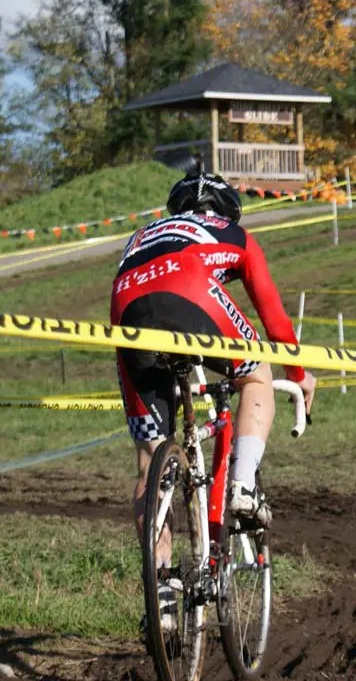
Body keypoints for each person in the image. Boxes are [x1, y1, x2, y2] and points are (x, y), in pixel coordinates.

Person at [111, 171, 317, 560]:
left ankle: (163, 595)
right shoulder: (233, 233)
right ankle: (242, 487)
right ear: (228, 211)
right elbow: (274, 320)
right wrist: (299, 376)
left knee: (149, 463)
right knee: (256, 375)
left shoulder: (143, 233)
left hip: (126, 302)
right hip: (191, 286)